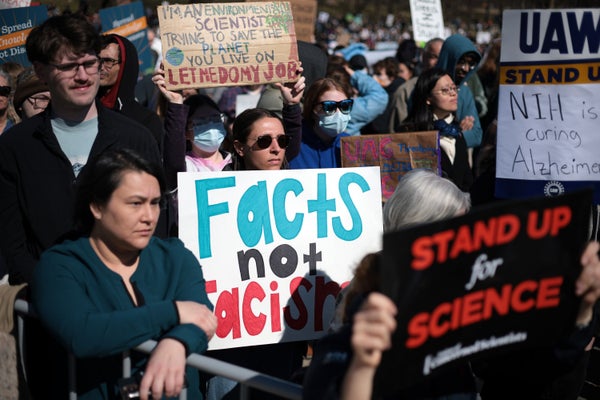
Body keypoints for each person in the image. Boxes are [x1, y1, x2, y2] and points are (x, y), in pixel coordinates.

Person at [0, 15, 162, 399]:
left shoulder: (135, 138)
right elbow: (13, 242)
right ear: (41, 70)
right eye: (68, 66)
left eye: (90, 63)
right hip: (51, 332)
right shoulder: (15, 148)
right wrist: (58, 295)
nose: (83, 75)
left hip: (127, 326)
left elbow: (159, 229)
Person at [31, 147, 217, 399]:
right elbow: (81, 332)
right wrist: (173, 311)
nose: (149, 217)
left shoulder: (175, 257)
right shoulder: (60, 265)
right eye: (135, 203)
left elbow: (202, 316)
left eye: (155, 203)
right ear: (96, 206)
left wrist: (176, 343)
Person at [304, 169, 478, 400]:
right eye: (454, 234)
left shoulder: (461, 292)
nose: (464, 245)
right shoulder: (363, 303)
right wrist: (362, 365)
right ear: (417, 231)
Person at [202, 108, 308, 400]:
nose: (275, 149)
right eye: (263, 142)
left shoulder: (302, 194)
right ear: (239, 147)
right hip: (232, 343)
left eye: (282, 141)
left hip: (283, 335)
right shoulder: (212, 195)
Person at [401, 67, 473, 192]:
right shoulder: (411, 133)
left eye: (454, 88)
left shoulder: (456, 131)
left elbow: (467, 178)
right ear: (428, 98)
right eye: (445, 90)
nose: (453, 93)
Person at [98, 34, 164, 152]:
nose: (101, 67)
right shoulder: (83, 113)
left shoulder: (147, 121)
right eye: (97, 61)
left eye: (108, 61)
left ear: (124, 65)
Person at [288, 77, 353, 169]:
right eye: (329, 107)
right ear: (313, 109)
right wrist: (291, 105)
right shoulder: (293, 142)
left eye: (345, 105)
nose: (338, 113)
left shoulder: (351, 145)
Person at [435, 33, 484, 149]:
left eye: (470, 64)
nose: (465, 69)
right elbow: (422, 138)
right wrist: (457, 132)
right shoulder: (425, 87)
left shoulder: (465, 92)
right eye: (461, 62)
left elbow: (476, 135)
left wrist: (448, 136)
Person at [389, 37, 444, 132]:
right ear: (423, 57)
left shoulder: (458, 89)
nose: (438, 62)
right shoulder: (405, 91)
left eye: (443, 57)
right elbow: (397, 136)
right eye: (434, 57)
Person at [361, 56, 404, 134]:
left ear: (391, 76)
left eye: (379, 74)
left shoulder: (398, 93)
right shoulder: (377, 93)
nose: (374, 77)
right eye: (374, 73)